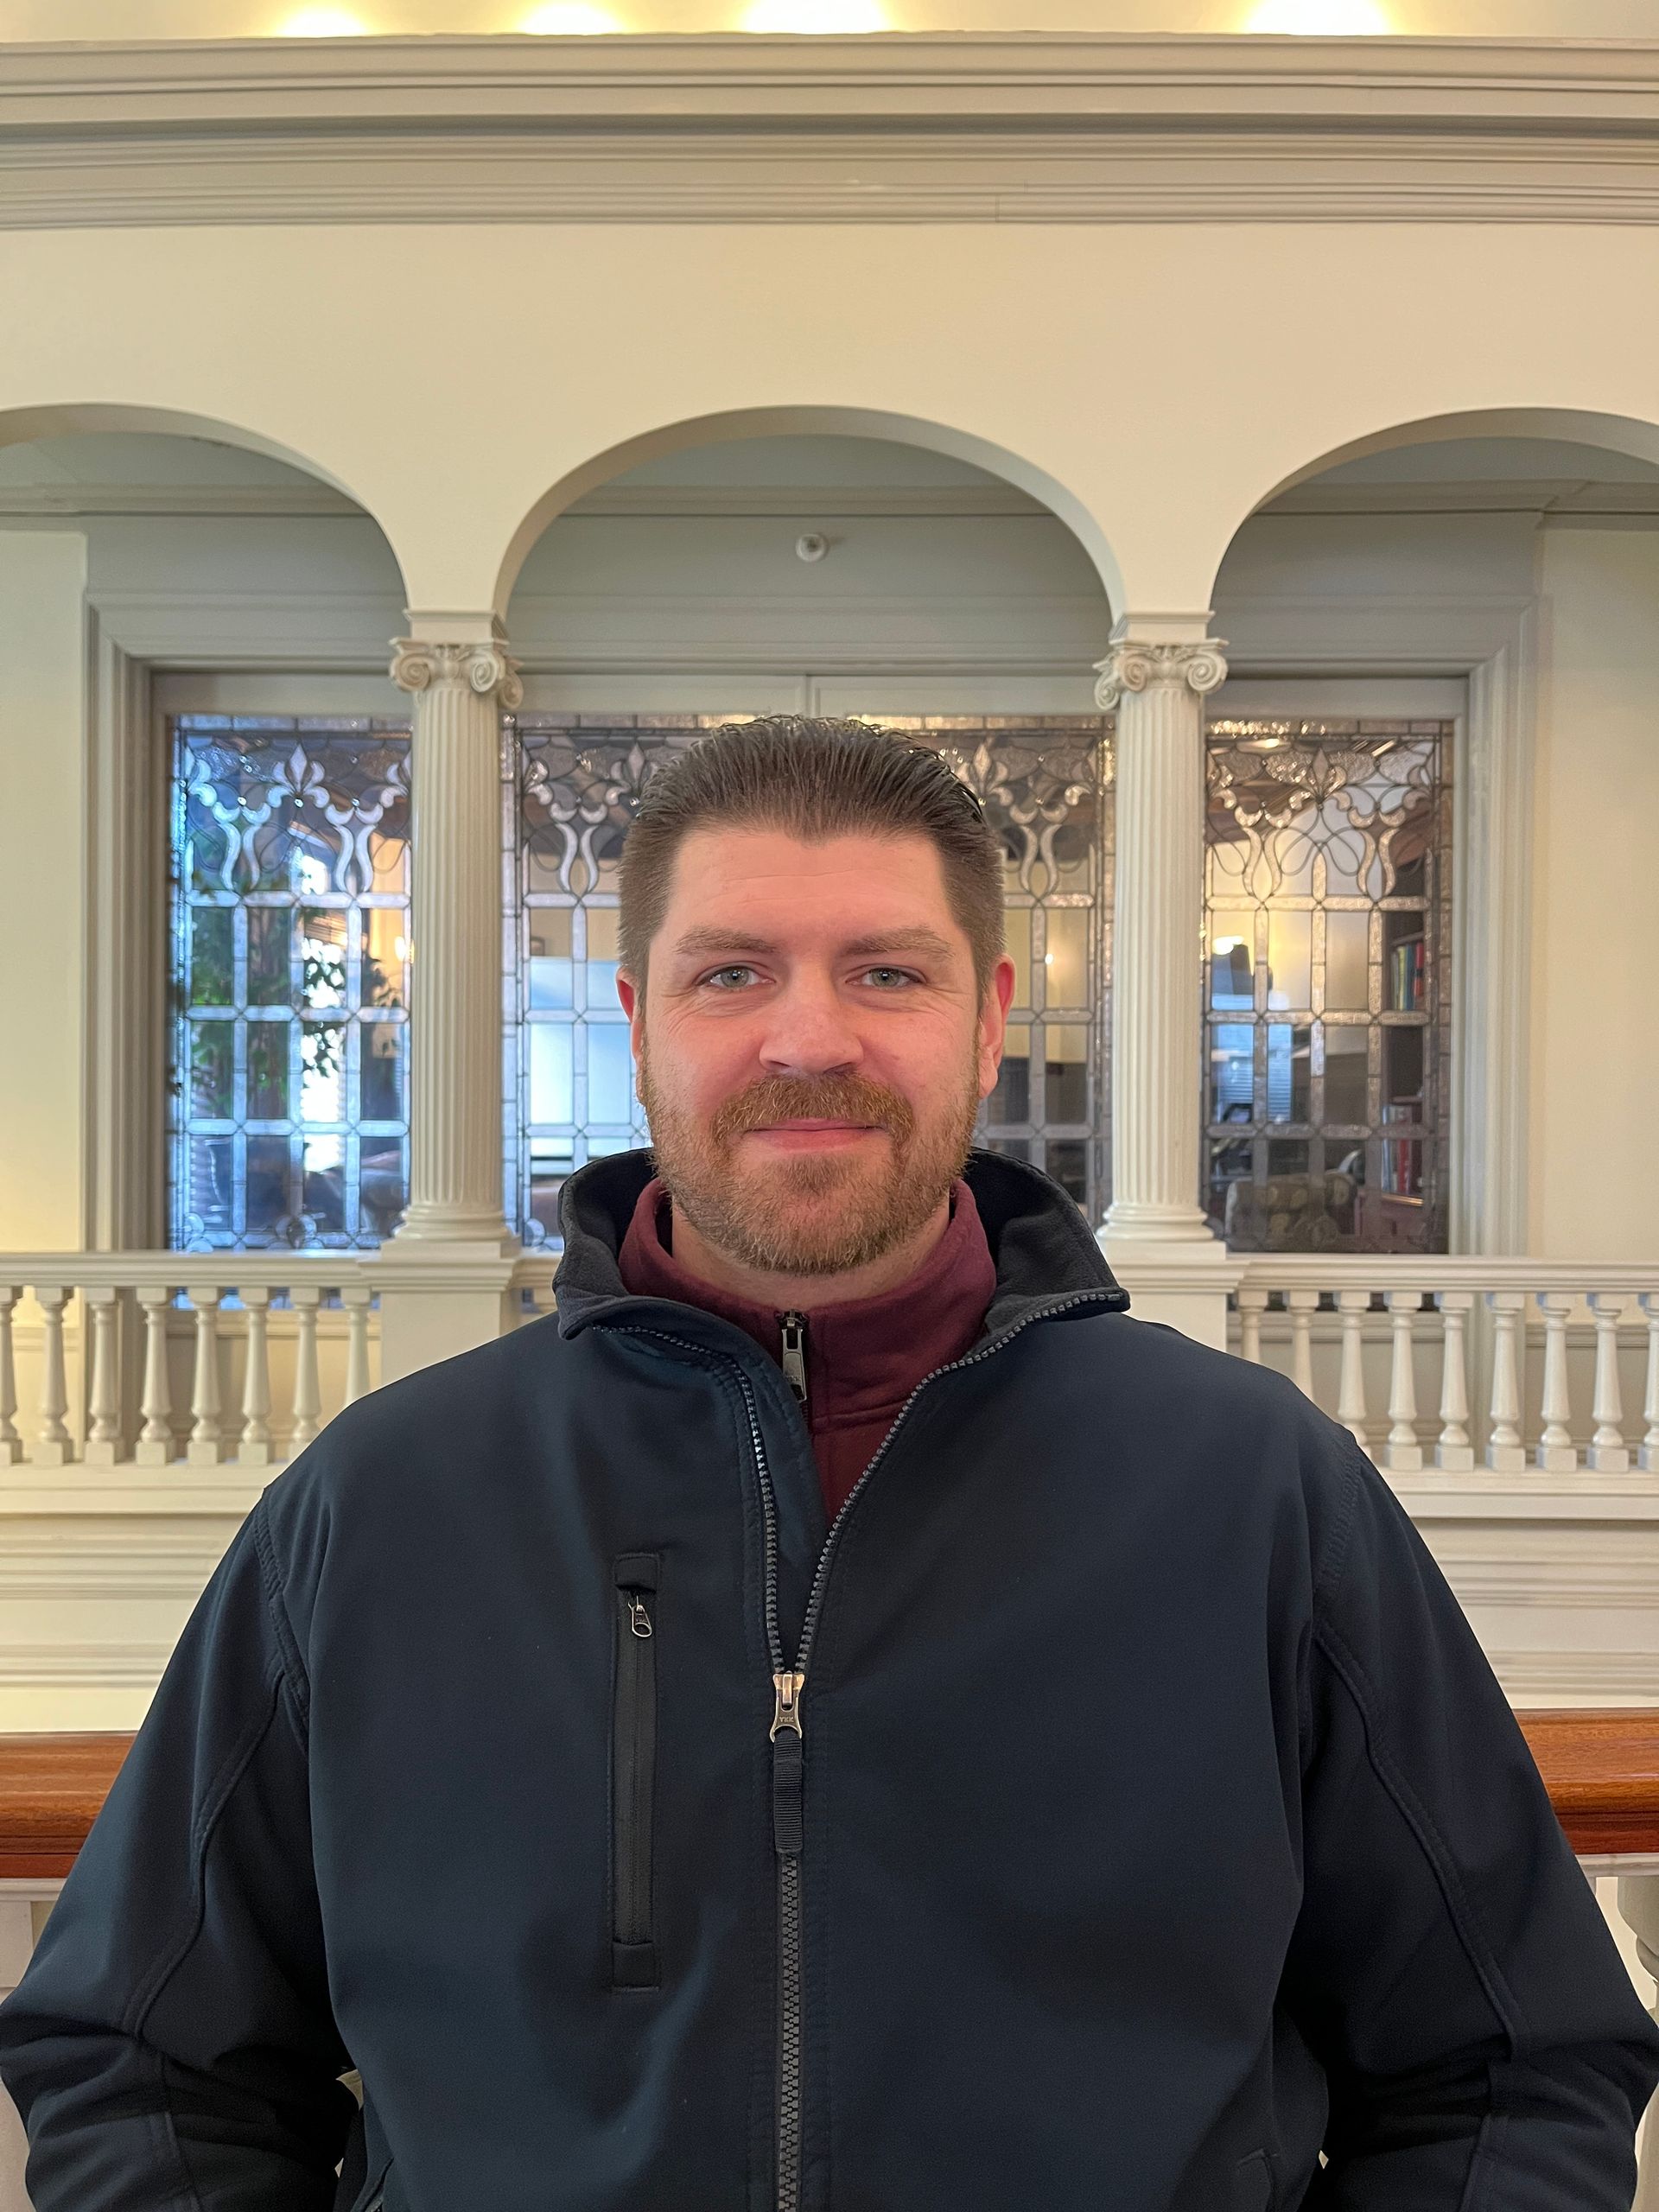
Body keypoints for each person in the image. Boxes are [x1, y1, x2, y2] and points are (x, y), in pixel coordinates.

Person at [1, 716, 1655, 2212]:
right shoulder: (379, 1509)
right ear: (641, 1021)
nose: (810, 1039)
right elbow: (141, 2067)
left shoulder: (1254, 1492)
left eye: (887, 972)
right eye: (732, 974)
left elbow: (1513, 2067)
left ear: (989, 1016)